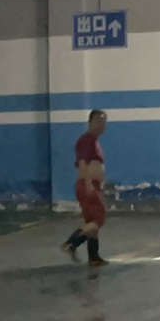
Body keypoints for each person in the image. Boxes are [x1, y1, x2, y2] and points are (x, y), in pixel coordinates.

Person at [61, 109, 109, 267]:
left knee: (91, 221)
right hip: (87, 185)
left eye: (103, 122)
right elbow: (83, 163)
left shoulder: (94, 142)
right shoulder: (86, 140)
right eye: (98, 121)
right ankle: (72, 243)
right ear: (90, 122)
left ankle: (93, 256)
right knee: (99, 219)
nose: (101, 125)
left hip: (93, 185)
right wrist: (88, 185)